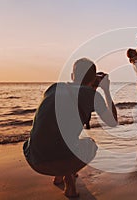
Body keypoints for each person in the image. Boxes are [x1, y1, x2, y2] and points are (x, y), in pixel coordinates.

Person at [23, 58, 118, 197]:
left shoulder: (53, 88)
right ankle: (69, 184)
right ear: (93, 78)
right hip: (61, 160)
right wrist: (106, 90)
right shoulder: (93, 95)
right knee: (90, 145)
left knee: (62, 136)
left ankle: (60, 176)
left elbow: (62, 114)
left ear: (72, 76)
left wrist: (91, 87)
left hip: (34, 159)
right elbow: (113, 122)